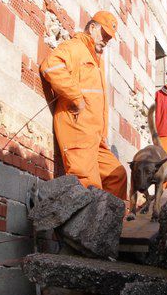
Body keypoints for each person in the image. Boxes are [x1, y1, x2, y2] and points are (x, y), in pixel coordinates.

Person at [40, 10, 127, 200]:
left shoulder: (95, 60)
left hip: (96, 137)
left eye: (109, 38)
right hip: (78, 131)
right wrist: (76, 98)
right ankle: (89, 229)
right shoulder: (75, 47)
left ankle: (106, 226)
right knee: (89, 184)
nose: (105, 40)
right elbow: (50, 65)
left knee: (117, 175)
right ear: (92, 27)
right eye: (103, 34)